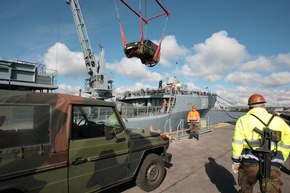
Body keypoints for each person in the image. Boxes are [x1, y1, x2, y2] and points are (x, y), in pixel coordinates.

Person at [231, 94, 290, 193]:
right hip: (273, 162)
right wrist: (281, 158)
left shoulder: (243, 120)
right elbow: (287, 143)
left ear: (249, 107)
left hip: (249, 162)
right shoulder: (279, 121)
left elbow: (237, 143)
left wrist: (236, 161)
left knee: (246, 189)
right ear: (264, 106)